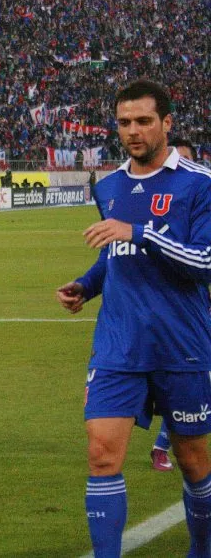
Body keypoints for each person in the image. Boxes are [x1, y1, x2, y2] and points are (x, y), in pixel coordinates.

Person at [56, 80, 211, 558]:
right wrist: (87, 285)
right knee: (102, 455)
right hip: (118, 345)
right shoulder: (110, 187)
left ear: (166, 122)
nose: (133, 131)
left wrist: (140, 231)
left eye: (143, 121)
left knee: (193, 461)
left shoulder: (199, 183)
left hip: (181, 344)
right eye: (124, 122)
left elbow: (205, 261)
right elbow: (115, 254)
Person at [148, 137, 200, 473]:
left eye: (186, 160)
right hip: (173, 314)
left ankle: (163, 446)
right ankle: (162, 446)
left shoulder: (200, 200)